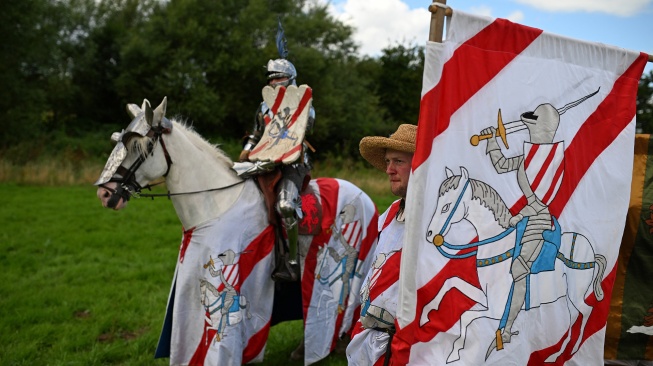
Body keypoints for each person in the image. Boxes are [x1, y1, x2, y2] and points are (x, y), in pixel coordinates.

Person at [236, 58, 315, 282]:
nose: (274, 82)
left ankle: (292, 262)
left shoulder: (304, 106)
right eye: (271, 79)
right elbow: (256, 134)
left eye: (279, 78)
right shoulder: (263, 107)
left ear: (290, 79)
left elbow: (300, 133)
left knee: (286, 205)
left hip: (293, 162)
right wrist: (247, 150)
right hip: (264, 160)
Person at [346, 124, 416, 366]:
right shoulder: (388, 214)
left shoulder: (438, 219)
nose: (389, 170)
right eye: (387, 162)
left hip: (405, 344)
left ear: (421, 166)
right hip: (370, 336)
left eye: (398, 161)